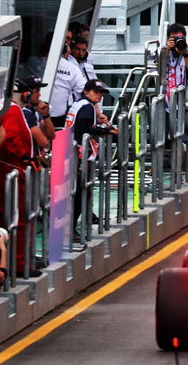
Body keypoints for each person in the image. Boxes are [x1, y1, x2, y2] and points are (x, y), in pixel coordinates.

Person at [0, 82, 43, 278]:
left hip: (8, 170)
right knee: (18, 217)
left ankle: (16, 261)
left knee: (12, 217)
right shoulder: (11, 109)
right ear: (26, 93)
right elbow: (10, 138)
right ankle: (19, 264)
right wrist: (25, 159)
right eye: (35, 91)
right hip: (12, 171)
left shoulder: (5, 107)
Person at [66, 80, 117, 239]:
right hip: (77, 155)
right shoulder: (87, 107)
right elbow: (83, 129)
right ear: (86, 92)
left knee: (78, 192)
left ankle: (74, 225)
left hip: (70, 150)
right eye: (96, 92)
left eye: (101, 93)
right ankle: (70, 229)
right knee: (79, 192)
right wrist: (105, 130)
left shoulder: (80, 104)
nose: (99, 95)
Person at [157, 23, 188, 109]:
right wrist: (167, 49)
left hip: (183, 101)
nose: (178, 41)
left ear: (185, 38)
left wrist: (185, 54)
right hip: (163, 100)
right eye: (174, 39)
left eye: (180, 38)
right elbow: (158, 65)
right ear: (168, 39)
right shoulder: (163, 50)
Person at [50, 38, 90, 127]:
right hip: (57, 116)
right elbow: (86, 90)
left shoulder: (73, 67)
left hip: (60, 115)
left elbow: (85, 89)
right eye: (77, 49)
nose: (80, 53)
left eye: (83, 50)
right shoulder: (71, 67)